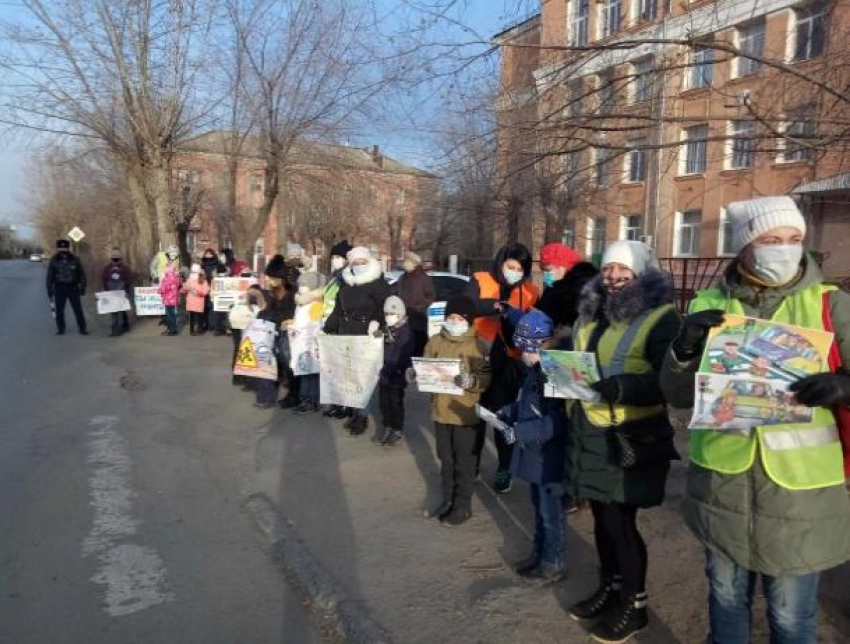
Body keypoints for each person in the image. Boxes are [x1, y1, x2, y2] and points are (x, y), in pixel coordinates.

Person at [660, 196, 850, 644]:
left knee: (791, 618)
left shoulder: (831, 304)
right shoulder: (707, 304)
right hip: (722, 487)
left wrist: (844, 387)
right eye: (771, 240)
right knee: (725, 602)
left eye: (793, 239)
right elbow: (676, 395)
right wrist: (684, 348)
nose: (784, 249)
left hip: (799, 495)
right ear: (746, 246)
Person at [565, 240, 680, 644]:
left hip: (628, 434)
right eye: (608, 268)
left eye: (623, 270)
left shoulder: (659, 317)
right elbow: (581, 361)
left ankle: (635, 607)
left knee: (621, 524)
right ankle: (610, 589)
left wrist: (620, 386)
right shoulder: (590, 313)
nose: (613, 277)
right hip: (589, 429)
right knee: (601, 519)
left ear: (641, 273)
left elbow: (669, 382)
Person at [496, 310, 567, 581]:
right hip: (537, 454)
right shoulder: (534, 371)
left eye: (526, 348)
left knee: (551, 514)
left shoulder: (554, 372)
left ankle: (554, 560)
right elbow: (528, 405)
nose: (523, 354)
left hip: (550, 457)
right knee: (539, 510)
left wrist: (521, 430)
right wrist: (508, 411)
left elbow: (558, 421)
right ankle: (539, 554)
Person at [414, 295, 490, 526]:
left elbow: (485, 377)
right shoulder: (436, 341)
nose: (454, 321)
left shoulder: (478, 345)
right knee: (445, 459)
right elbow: (425, 365)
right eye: (451, 317)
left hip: (464, 413)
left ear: (468, 320)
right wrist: (416, 373)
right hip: (441, 411)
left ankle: (462, 506)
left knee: (464, 461)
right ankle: (447, 500)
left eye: (459, 318)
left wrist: (471, 381)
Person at [472, 243, 539, 493]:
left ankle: (504, 469)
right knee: (475, 417)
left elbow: (536, 327)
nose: (514, 272)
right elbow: (465, 306)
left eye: (520, 269)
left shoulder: (530, 292)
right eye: (510, 266)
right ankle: (472, 465)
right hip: (477, 358)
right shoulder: (480, 279)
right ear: (501, 262)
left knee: (503, 418)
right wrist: (496, 307)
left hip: (509, 365)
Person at [323, 246, 391, 435]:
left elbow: (387, 306)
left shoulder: (378, 283)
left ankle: (362, 417)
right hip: (346, 332)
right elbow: (338, 309)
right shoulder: (346, 282)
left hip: (366, 333)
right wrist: (329, 327)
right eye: (355, 262)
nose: (359, 265)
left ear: (369, 262)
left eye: (362, 262)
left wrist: (377, 321)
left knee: (363, 378)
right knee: (349, 377)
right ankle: (353, 411)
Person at [255, 255, 296, 409]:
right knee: (269, 363)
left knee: (288, 366)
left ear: (279, 278)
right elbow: (266, 310)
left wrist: (271, 317)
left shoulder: (291, 293)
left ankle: (293, 395)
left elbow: (288, 314)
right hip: (270, 333)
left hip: (286, 334)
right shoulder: (270, 292)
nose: (268, 281)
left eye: (271, 278)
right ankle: (266, 396)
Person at [376, 296, 416, 446]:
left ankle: (397, 428)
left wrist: (392, 368)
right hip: (383, 373)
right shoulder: (385, 329)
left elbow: (403, 354)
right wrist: (373, 331)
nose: (389, 317)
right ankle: (387, 426)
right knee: (383, 402)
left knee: (395, 402)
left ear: (400, 315)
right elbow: (373, 341)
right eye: (386, 314)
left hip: (397, 374)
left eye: (392, 314)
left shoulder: (406, 332)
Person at [535, 243, 599, 335]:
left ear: (563, 267)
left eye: (548, 270)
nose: (545, 274)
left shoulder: (578, 290)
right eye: (544, 271)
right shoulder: (552, 288)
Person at [321, 239, 352, 419]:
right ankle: (335, 403)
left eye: (339, 257)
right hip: (330, 326)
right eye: (334, 257)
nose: (335, 260)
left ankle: (345, 405)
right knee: (332, 370)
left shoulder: (346, 278)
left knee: (343, 371)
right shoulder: (334, 278)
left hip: (341, 328)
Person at [290, 271, 325, 415]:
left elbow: (316, 323)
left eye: (304, 284)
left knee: (313, 373)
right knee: (304, 371)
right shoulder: (301, 302)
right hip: (300, 342)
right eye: (301, 284)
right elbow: (298, 319)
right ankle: (305, 399)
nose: (301, 287)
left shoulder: (316, 303)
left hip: (311, 342)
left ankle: (312, 400)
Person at [395, 251, 435, 357]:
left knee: (418, 346)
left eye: (406, 261)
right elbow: (396, 294)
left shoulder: (423, 278)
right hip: (403, 317)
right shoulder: (402, 278)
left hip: (418, 317)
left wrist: (420, 307)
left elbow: (430, 296)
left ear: (414, 263)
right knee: (405, 345)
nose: (404, 263)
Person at [46, 239, 88, 336]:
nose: (63, 249)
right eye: (61, 247)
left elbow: (81, 274)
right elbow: (50, 275)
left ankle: (82, 328)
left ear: (68, 248)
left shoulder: (75, 259)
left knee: (78, 309)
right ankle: (61, 329)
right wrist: (49, 288)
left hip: (73, 287)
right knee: (59, 310)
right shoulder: (54, 260)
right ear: (58, 248)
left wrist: (83, 286)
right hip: (59, 288)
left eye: (65, 247)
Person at [229, 285, 265, 390]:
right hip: (247, 326)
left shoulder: (242, 296)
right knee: (248, 351)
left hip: (236, 324)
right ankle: (247, 380)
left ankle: (237, 378)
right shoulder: (256, 298)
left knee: (238, 350)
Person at [101, 248, 133, 337]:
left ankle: (120, 328)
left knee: (120, 311)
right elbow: (103, 279)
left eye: (117, 259)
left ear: (121, 259)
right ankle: (115, 329)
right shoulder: (107, 268)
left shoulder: (125, 268)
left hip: (122, 293)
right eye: (114, 259)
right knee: (114, 312)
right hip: (111, 294)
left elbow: (129, 279)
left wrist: (125, 287)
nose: (115, 260)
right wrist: (106, 290)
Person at [182, 264, 210, 336]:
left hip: (199, 300)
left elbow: (206, 290)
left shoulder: (203, 279)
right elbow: (185, 288)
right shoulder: (190, 279)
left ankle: (200, 329)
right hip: (191, 300)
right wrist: (185, 289)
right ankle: (192, 330)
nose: (193, 273)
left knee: (199, 316)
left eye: (195, 272)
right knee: (192, 316)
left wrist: (198, 292)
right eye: (193, 271)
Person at [157, 263, 181, 336]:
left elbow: (161, 290)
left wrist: (161, 281)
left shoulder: (167, 279)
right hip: (173, 299)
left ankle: (172, 330)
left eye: (165, 267)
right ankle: (172, 329)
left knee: (169, 316)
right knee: (172, 315)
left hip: (168, 300)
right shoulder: (175, 277)